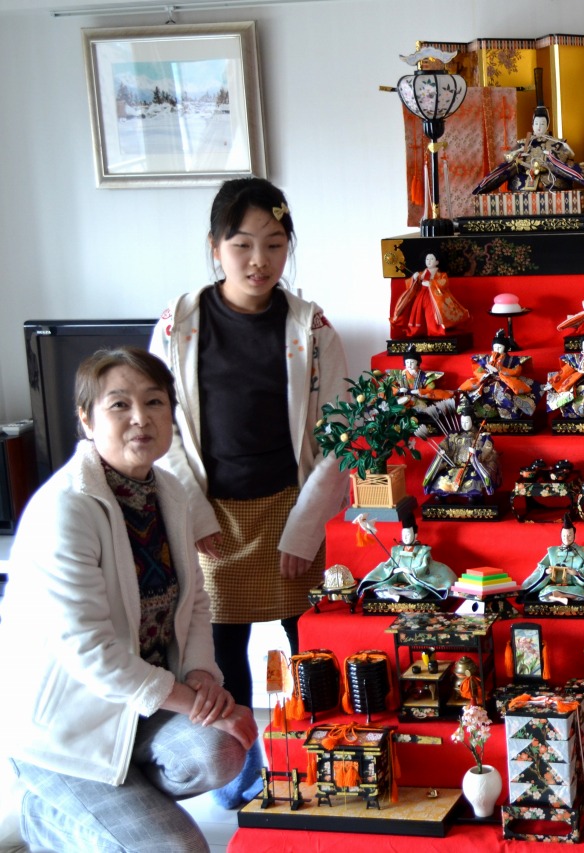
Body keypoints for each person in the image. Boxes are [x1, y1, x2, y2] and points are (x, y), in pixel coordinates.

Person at [0, 347, 257, 851]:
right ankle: (46, 812)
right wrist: (198, 704)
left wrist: (203, 677)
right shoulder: (66, 509)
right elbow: (92, 655)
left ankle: (107, 811)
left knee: (222, 749)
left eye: (154, 402)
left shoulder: (170, 492)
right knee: (181, 848)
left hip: (135, 711)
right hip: (65, 731)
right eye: (119, 404)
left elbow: (196, 601)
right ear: (86, 419)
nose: (141, 417)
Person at [149, 177, 349, 807]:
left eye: (274, 244)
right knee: (222, 653)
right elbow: (163, 429)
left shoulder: (311, 328)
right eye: (242, 245)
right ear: (215, 247)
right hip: (211, 516)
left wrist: (306, 526)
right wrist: (193, 514)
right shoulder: (179, 324)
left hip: (292, 508)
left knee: (311, 646)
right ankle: (239, 776)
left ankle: (321, 763)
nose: (259, 261)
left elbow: (339, 435)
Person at [472, 105, 584, 194]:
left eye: (542, 124)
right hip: (524, 185)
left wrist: (551, 158)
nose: (539, 127)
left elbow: (568, 155)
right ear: (532, 125)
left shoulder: (557, 143)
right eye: (536, 124)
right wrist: (518, 155)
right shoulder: (523, 143)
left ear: (547, 125)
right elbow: (508, 157)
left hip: (550, 183)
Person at [356, 498, 455, 603]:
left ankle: (401, 593)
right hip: (396, 580)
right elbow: (388, 565)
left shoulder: (423, 551)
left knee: (416, 591)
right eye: (403, 535)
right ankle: (394, 593)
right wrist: (393, 570)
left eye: (408, 534)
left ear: (415, 535)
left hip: (415, 582)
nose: (405, 537)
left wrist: (412, 571)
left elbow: (425, 567)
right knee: (382, 590)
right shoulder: (396, 550)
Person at [520, 514, 584, 605]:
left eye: (569, 535)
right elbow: (541, 566)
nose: (566, 538)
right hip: (555, 584)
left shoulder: (583, 552)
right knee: (544, 593)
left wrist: (576, 573)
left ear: (574, 535)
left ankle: (560, 596)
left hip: (575, 585)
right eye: (564, 535)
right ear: (560, 535)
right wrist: (546, 571)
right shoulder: (552, 551)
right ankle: (559, 597)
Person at [421, 397, 501, 501]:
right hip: (454, 466)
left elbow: (488, 448)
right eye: (462, 422)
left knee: (472, 480)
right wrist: (443, 451)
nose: (464, 424)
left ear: (472, 420)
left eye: (467, 422)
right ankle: (441, 493)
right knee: (443, 479)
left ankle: (473, 495)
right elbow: (446, 446)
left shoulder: (482, 437)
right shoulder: (454, 436)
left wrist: (476, 453)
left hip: (472, 466)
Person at [457, 329, 536, 421]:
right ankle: (485, 413)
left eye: (500, 347)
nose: (497, 349)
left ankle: (508, 414)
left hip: (505, 381)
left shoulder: (512, 360)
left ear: (506, 348)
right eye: (495, 347)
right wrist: (485, 374)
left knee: (504, 393)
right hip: (488, 380)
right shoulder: (487, 358)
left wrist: (502, 370)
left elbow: (516, 371)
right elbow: (479, 371)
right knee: (481, 392)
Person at [390, 252, 470, 339]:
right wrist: (414, 278)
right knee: (418, 313)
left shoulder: (441, 275)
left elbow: (444, 283)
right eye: (427, 259)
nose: (429, 261)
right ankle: (417, 331)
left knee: (431, 314)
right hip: (421, 295)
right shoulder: (422, 273)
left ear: (437, 262)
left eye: (432, 259)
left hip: (433, 298)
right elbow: (413, 285)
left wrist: (431, 284)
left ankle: (434, 330)